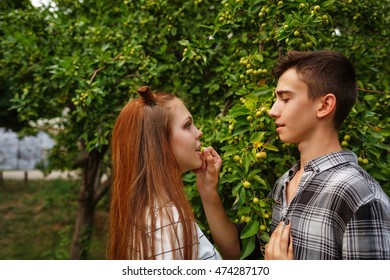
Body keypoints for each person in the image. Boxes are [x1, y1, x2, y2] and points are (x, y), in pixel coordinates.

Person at [264, 50, 390, 260]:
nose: (272, 110)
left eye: (285, 99)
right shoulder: (282, 184)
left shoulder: (359, 195)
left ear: (324, 105)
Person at [107, 86, 240, 260]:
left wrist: (208, 192)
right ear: (160, 143)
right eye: (187, 125)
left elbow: (235, 253)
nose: (198, 132)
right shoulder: (166, 225)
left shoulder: (151, 215)